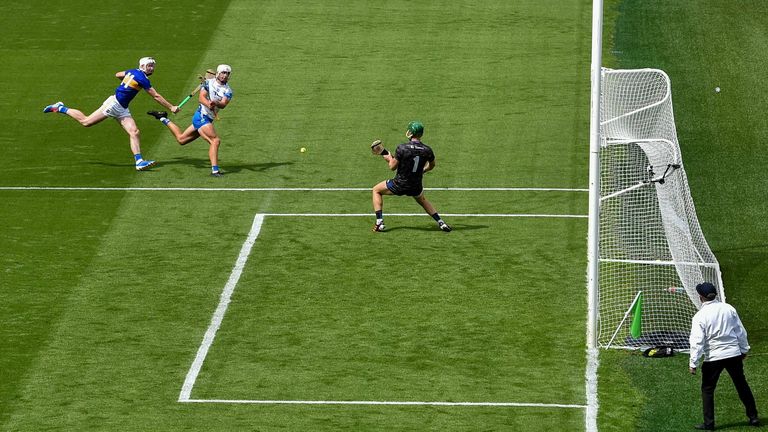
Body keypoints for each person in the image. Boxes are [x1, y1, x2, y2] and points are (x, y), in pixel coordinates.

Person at [43, 57, 179, 171]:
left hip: (122, 107)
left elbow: (118, 74)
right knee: (86, 122)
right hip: (114, 105)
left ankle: (139, 162)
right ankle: (60, 108)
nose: (152, 68)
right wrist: (171, 107)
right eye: (149, 66)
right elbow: (156, 96)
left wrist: (127, 82)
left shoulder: (133, 72)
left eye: (153, 66)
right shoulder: (143, 79)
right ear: (142, 66)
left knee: (134, 132)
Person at [689, 282, 760, 430]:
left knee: (707, 389)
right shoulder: (729, 309)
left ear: (701, 297)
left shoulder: (700, 316)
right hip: (733, 354)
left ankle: (709, 423)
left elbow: (697, 341)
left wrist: (693, 363)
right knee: (742, 385)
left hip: (714, 358)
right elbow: (740, 331)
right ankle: (753, 417)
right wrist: (744, 349)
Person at [147, 64, 233, 177]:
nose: (225, 75)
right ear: (218, 73)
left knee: (181, 140)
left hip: (208, 119)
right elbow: (201, 98)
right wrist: (208, 103)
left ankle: (162, 117)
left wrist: (215, 102)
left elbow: (223, 104)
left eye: (227, 73)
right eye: (223, 72)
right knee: (215, 141)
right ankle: (215, 171)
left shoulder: (228, 91)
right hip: (201, 116)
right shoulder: (208, 83)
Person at [370, 121, 451, 233]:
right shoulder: (427, 150)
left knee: (376, 190)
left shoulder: (402, 148)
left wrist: (388, 158)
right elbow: (432, 165)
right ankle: (441, 222)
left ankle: (379, 222)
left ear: (411, 133)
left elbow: (392, 167)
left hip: (399, 184)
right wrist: (424, 170)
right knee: (422, 200)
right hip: (415, 185)